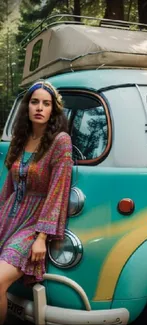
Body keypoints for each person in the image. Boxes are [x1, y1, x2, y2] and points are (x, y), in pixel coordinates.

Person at [0, 80, 73, 324]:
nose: (39, 108)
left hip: (34, 223)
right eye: (34, 102)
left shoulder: (60, 141)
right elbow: (9, 188)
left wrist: (42, 237)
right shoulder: (19, 140)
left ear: (53, 109)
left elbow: (58, 191)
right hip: (9, 216)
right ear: (27, 107)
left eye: (46, 103)